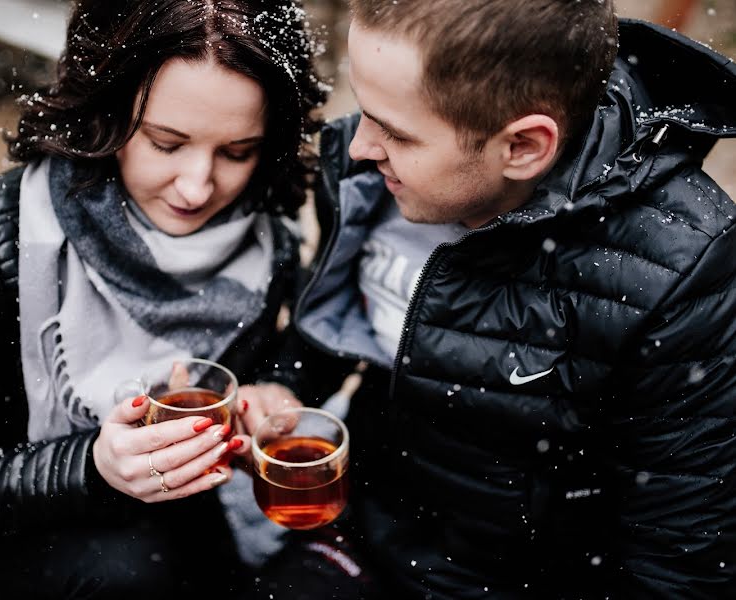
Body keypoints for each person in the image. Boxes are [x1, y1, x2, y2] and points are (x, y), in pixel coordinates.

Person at [248, 0, 736, 598]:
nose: (357, 146)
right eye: (364, 109)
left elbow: (680, 554)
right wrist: (289, 387)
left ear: (524, 146)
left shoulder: (681, 268)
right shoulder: (377, 175)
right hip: (371, 531)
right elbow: (343, 320)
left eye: (395, 132)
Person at [0, 0, 327, 597]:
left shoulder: (266, 238)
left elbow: (295, 349)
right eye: (166, 143)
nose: (199, 187)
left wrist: (277, 390)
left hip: (175, 504)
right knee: (137, 573)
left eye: (237, 152)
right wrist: (94, 467)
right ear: (106, 108)